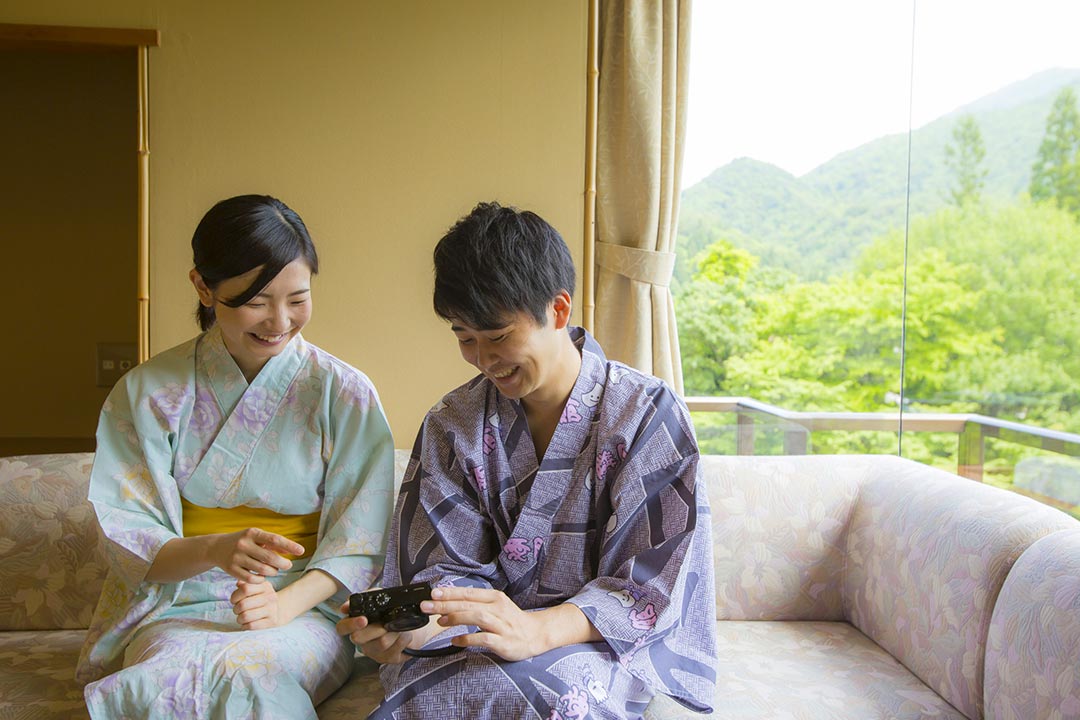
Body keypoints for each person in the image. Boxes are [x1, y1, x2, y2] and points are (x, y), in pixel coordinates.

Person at [337, 202, 717, 718]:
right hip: (473, 639)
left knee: (558, 698)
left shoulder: (646, 414)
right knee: (435, 694)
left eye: (497, 337)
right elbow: (440, 573)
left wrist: (538, 628)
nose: (484, 360)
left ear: (558, 311)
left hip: (590, 641)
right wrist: (407, 632)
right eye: (465, 339)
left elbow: (649, 586)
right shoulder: (454, 422)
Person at [76, 194, 396, 718]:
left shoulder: (344, 393)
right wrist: (215, 550)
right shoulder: (150, 392)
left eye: (298, 298)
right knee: (165, 683)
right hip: (178, 604)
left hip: (302, 607)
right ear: (204, 286)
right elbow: (130, 531)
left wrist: (282, 603)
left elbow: (362, 540)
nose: (279, 320)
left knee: (254, 680)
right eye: (256, 300)